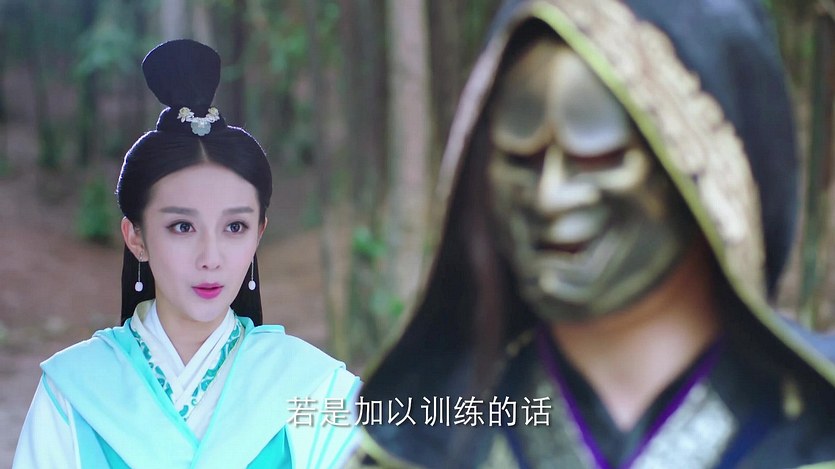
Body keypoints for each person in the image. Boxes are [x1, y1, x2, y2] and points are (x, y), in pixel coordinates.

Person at [352, 0, 835, 467]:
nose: (550, 196)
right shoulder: (421, 446)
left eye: (598, 156)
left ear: (704, 171)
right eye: (521, 158)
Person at [13, 39, 359, 468]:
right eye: (182, 226)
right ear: (135, 236)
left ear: (259, 234)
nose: (210, 257)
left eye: (235, 227)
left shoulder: (311, 386)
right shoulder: (74, 391)